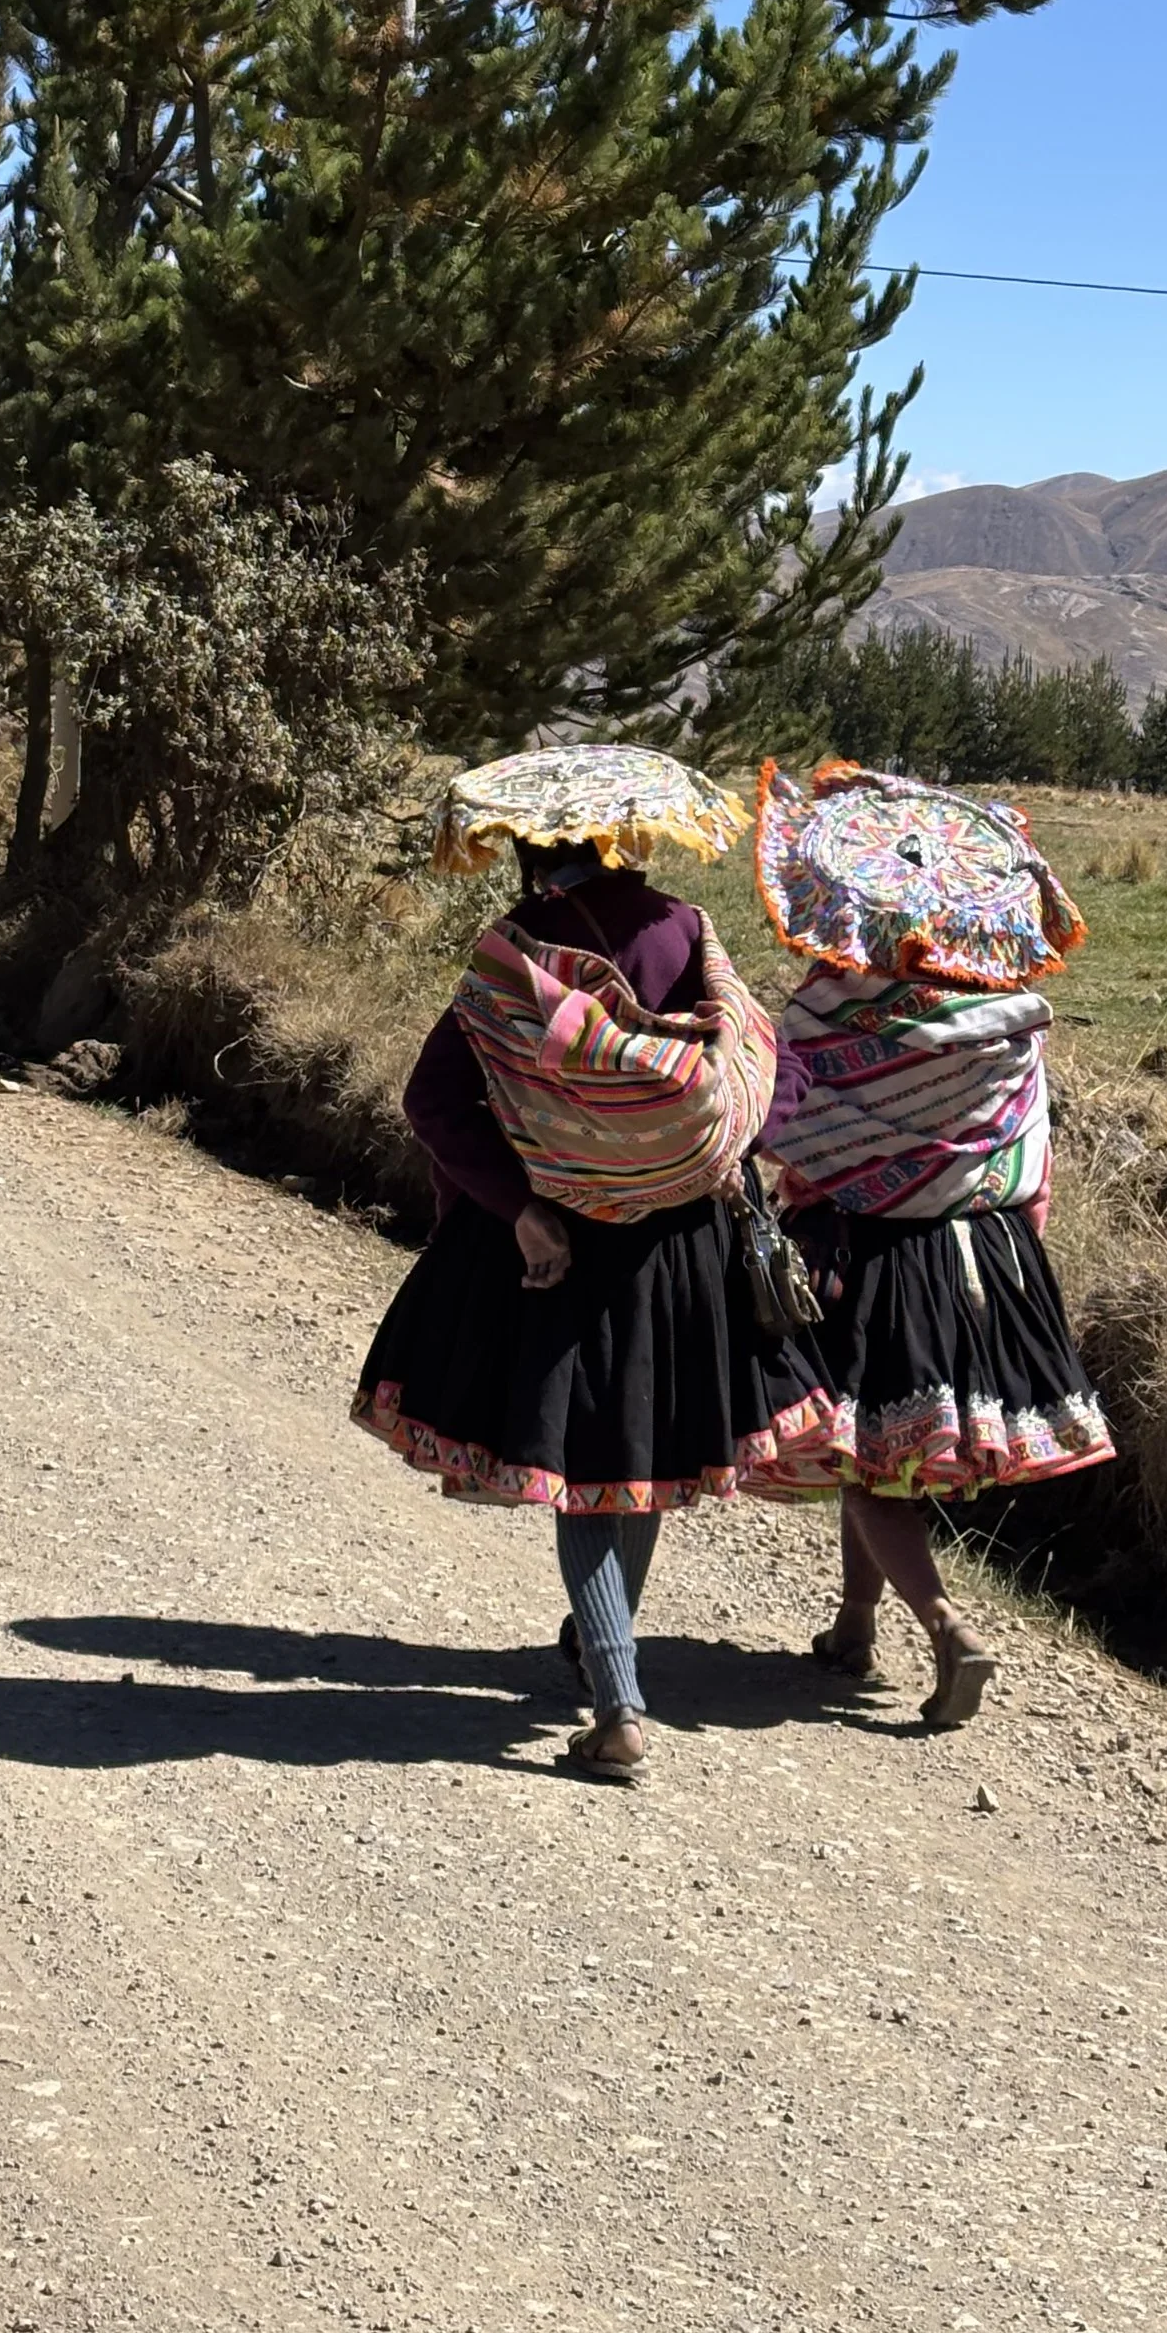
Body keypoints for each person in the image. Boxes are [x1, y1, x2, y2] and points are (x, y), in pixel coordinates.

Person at [352, 748, 846, 1783]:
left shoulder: (512, 955)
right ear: (623, 837)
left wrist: (522, 1205)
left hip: (561, 1248)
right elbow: (751, 1070)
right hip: (683, 1242)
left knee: (585, 1473)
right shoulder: (688, 931)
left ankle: (619, 1707)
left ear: (528, 850)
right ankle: (596, 1644)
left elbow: (433, 1105)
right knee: (646, 1457)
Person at [752, 762, 1116, 1732]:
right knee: (879, 1452)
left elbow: (784, 1127)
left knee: (867, 1461)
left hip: (865, 1255)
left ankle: (946, 1626)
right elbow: (1024, 1149)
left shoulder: (831, 1010)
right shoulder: (1007, 1025)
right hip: (985, 1258)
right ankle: (852, 1627)